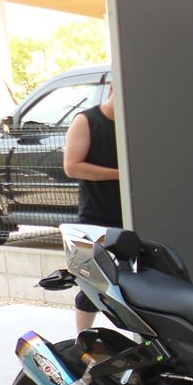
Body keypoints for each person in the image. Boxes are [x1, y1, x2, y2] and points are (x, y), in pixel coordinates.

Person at [62, 79, 121, 333]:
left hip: (134, 215)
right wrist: (121, 174)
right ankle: (82, 342)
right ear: (111, 88)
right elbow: (72, 166)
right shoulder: (86, 120)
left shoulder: (136, 122)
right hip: (96, 216)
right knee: (91, 284)